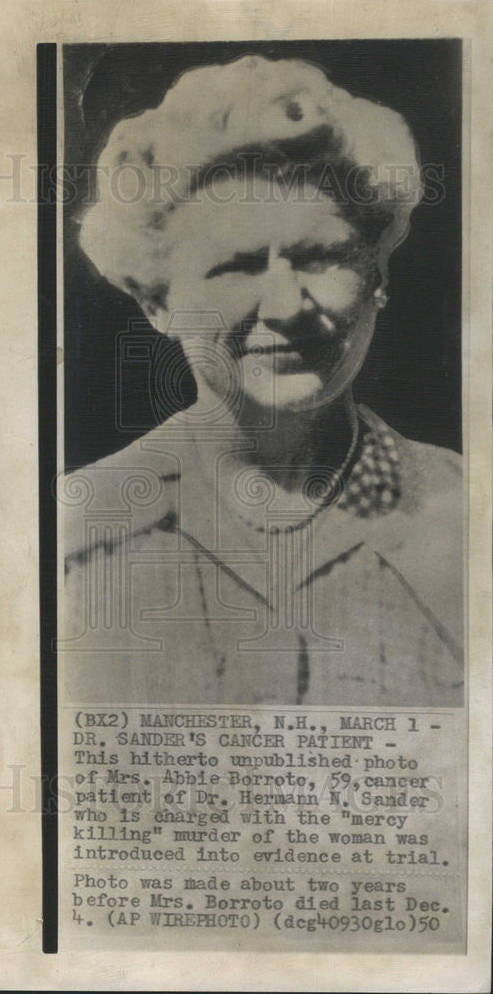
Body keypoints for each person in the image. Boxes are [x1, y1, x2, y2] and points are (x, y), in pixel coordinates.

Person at [60, 55, 463, 706]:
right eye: (235, 267)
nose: (285, 307)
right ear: (157, 303)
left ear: (379, 280)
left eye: (322, 258)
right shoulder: (75, 536)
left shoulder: (469, 520)